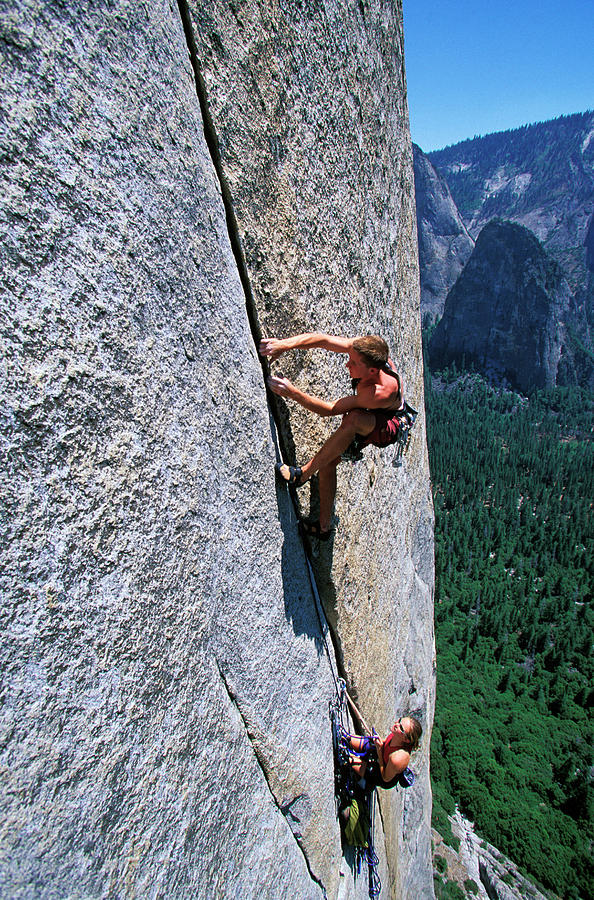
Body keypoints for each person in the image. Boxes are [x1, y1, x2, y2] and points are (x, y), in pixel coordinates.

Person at [259, 332, 406, 539]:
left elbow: (329, 409)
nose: (347, 365)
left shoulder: (377, 393)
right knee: (328, 463)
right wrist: (284, 344)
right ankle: (323, 528)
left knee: (353, 419)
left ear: (372, 371)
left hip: (387, 425)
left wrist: (292, 392)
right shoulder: (366, 351)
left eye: (353, 363)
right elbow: (324, 340)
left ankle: (302, 474)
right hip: (373, 413)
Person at [345, 715, 422, 789]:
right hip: (381, 755)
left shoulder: (397, 758)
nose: (396, 724)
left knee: (346, 756)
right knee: (348, 739)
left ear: (406, 739)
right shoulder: (397, 735)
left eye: (401, 727)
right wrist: (379, 741)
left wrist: (379, 751)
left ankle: (367, 783)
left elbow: (385, 777)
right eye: (400, 720)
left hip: (382, 776)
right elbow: (386, 742)